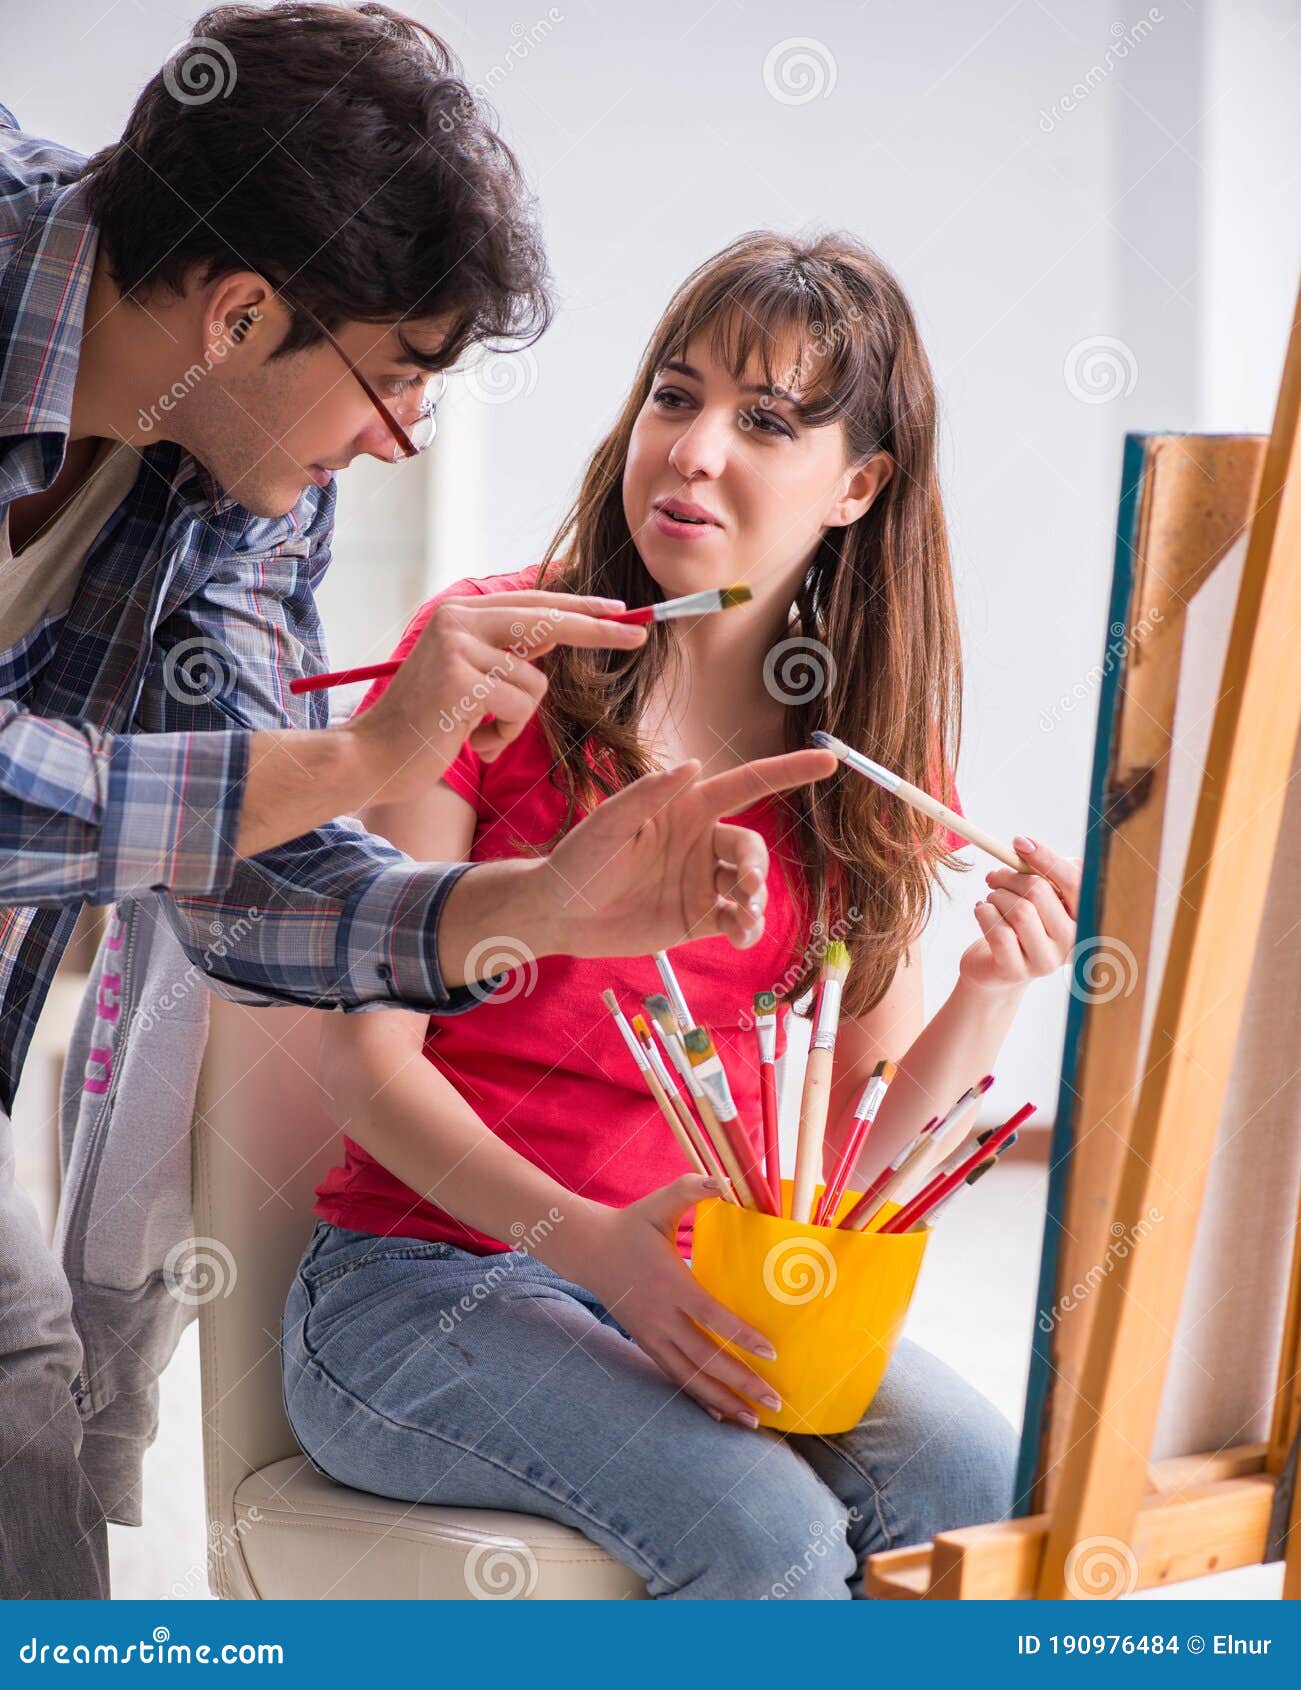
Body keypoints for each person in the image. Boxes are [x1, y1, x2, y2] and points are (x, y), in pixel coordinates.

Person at [0, 7, 831, 1600]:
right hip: (415, 1295)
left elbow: (242, 869)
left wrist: (537, 903)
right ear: (241, 314)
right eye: (391, 382)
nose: (394, 444)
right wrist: (375, 756)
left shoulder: (244, 473)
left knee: (19, 1389)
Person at [282, 231, 1082, 1599]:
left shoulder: (864, 757)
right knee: (766, 1538)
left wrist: (990, 987)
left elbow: (854, 1161)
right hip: (420, 1286)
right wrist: (596, 1249)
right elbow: (364, 1064)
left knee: (978, 1496)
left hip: (708, 1279)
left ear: (859, 486)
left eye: (765, 421)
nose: (693, 451)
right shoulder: (491, 654)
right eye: (674, 395)